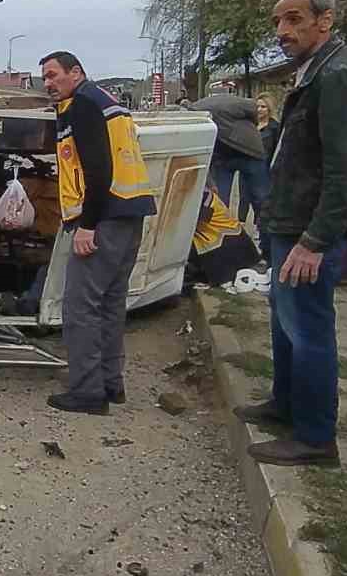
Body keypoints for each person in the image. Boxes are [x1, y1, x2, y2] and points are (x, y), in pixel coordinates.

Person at [234, 0, 347, 467]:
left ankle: (316, 437)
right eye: (278, 21)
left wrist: (316, 240)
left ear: (325, 21)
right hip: (290, 219)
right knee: (285, 319)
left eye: (294, 19)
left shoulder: (340, 74)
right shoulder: (315, 70)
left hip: (307, 228)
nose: (282, 31)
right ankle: (287, 405)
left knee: (308, 327)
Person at [39, 51, 157, 415]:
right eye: (44, 77)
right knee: (109, 303)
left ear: (76, 72)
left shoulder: (83, 105)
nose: (48, 83)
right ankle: (110, 383)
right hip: (129, 211)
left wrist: (87, 225)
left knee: (80, 307)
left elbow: (97, 168)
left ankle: (87, 392)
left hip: (103, 217)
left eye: (54, 75)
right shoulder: (107, 102)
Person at [187, 94, 268, 230]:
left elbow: (251, 106)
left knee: (261, 198)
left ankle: (266, 239)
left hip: (249, 151)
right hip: (223, 158)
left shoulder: (217, 104)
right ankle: (223, 237)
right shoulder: (196, 122)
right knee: (220, 200)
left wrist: (249, 127)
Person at [186, 180, 262, 287]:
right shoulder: (202, 194)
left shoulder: (204, 198)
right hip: (231, 247)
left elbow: (191, 223)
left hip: (228, 250)